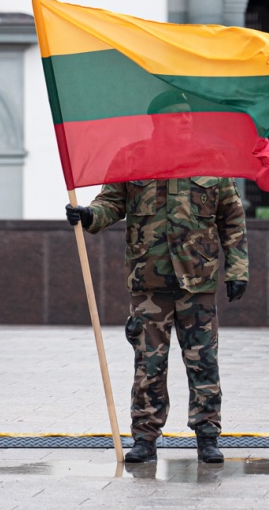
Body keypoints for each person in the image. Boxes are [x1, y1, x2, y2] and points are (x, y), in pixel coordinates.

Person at [65, 175, 249, 466]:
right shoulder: (133, 159)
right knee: (148, 363)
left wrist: (238, 270)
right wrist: (89, 215)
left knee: (203, 362)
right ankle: (145, 438)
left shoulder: (210, 162)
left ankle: (207, 437)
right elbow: (110, 203)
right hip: (148, 281)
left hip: (197, 280)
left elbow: (232, 218)